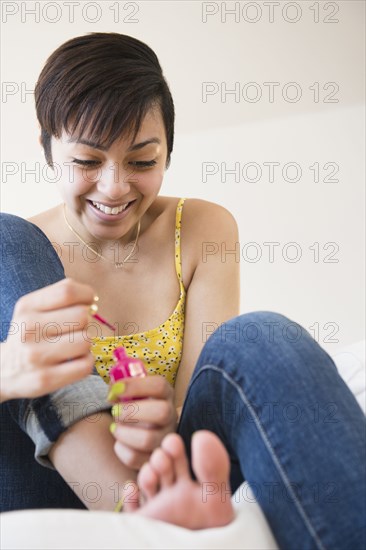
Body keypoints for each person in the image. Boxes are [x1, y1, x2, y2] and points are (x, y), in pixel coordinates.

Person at [0, 32, 364, 548]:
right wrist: (8, 370)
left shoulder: (200, 229)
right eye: (86, 162)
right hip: (38, 483)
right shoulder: (16, 253)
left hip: (173, 475)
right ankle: (129, 507)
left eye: (142, 161)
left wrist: (159, 422)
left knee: (260, 335)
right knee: (3, 237)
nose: (115, 187)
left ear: (168, 149)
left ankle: (145, 504)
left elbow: (195, 406)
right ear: (47, 149)